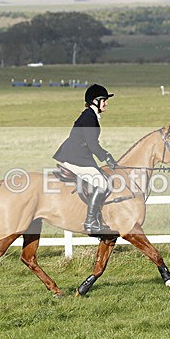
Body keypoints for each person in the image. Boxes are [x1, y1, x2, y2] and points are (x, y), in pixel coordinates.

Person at [53, 84, 117, 234]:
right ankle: (90, 222)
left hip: (79, 156)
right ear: (95, 101)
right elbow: (92, 144)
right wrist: (106, 156)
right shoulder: (88, 117)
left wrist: (105, 156)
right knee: (102, 183)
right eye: (104, 100)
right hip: (75, 158)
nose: (106, 103)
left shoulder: (91, 115)